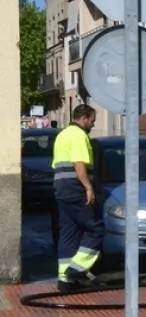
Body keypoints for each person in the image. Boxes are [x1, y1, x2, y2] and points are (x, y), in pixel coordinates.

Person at [52, 104, 104, 292]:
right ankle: (78, 269)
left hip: (61, 190)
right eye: (92, 120)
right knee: (95, 228)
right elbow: (79, 163)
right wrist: (88, 187)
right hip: (75, 188)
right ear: (84, 118)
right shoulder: (79, 136)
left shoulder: (62, 135)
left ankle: (64, 280)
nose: (93, 124)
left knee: (69, 232)